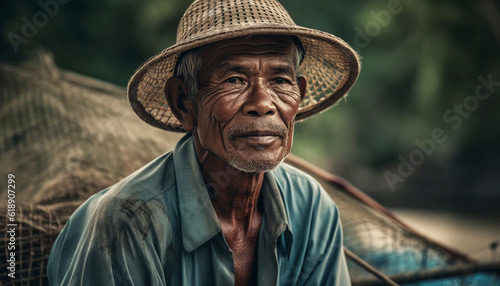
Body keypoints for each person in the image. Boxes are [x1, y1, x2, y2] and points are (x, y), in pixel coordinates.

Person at [47, 0, 360, 285]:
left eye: (280, 80)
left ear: (299, 97)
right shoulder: (128, 223)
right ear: (184, 102)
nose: (263, 103)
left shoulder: (312, 209)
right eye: (234, 80)